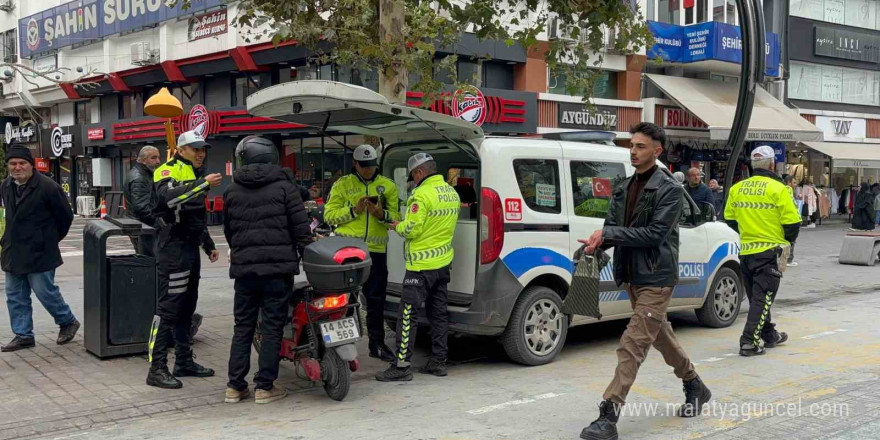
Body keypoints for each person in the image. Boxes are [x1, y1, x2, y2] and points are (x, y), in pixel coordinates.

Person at [579, 123, 710, 440]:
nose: (633, 151)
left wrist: (609, 234)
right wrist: (596, 244)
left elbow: (654, 235)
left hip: (657, 277)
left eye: (640, 146)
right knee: (660, 336)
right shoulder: (623, 187)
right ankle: (695, 385)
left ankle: (608, 415)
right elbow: (614, 227)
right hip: (631, 276)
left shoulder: (670, 190)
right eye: (632, 145)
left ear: (657, 151)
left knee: (633, 343)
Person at [223, 136, 312, 404]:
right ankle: (264, 387)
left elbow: (229, 231)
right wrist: (308, 252)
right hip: (278, 270)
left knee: (243, 327)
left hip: (245, 271)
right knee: (273, 327)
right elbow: (301, 230)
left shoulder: (232, 191)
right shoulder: (286, 188)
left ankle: (234, 387)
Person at [146, 130, 222, 389]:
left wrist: (208, 244)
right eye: (195, 149)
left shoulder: (196, 174)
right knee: (168, 309)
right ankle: (156, 368)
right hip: (173, 250)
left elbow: (194, 217)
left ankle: (184, 361)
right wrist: (203, 185)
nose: (201, 153)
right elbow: (169, 199)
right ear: (180, 150)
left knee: (187, 307)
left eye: (203, 149)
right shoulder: (166, 170)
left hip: (189, 249)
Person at [375, 153, 459, 382]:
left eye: (412, 175)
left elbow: (412, 228)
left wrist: (397, 226)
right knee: (438, 314)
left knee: (407, 315)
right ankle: (438, 362)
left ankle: (401, 366)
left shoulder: (420, 195)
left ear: (420, 173)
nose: (411, 180)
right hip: (443, 264)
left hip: (420, 267)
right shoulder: (451, 192)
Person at [324, 144, 400, 362]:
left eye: (371, 166)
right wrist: (353, 211)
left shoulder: (388, 186)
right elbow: (329, 216)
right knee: (343, 299)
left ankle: (376, 344)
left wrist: (380, 213)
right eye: (363, 166)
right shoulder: (342, 184)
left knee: (376, 300)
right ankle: (339, 345)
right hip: (347, 252)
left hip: (375, 252)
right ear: (355, 164)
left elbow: (396, 218)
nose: (368, 170)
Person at [1, 145, 79, 352]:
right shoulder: (7, 185)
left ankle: (67, 321)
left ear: (31, 165)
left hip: (40, 251)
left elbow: (65, 217)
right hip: (13, 251)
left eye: (22, 163)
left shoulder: (48, 187)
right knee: (15, 295)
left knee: (45, 291)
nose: (17, 167)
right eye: (13, 164)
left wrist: (49, 239)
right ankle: (23, 335)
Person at [724, 146, 801, 357]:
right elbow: (793, 223)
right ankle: (748, 342)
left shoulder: (736, 188)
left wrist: (748, 232)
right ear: (772, 165)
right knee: (762, 298)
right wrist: (786, 242)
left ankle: (769, 335)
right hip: (770, 252)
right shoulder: (779, 189)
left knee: (759, 297)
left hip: (746, 252)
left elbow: (729, 218)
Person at [124, 145, 161, 256]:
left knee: (147, 261)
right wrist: (161, 220)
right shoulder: (140, 178)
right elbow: (142, 207)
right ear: (143, 160)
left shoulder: (143, 174)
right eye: (153, 158)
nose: (158, 161)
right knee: (149, 261)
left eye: (158, 157)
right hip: (143, 227)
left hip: (142, 226)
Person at [783, 175, 800, 268]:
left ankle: (787, 259)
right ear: (789, 183)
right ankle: (788, 259)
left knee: (789, 241)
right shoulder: (787, 190)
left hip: (790, 220)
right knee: (790, 241)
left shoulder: (789, 191)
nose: (796, 185)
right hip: (791, 220)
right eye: (794, 183)